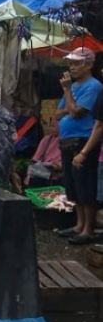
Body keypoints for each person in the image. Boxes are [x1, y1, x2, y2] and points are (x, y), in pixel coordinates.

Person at [56, 47, 103, 244]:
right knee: (73, 186)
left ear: (89, 65)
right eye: (71, 63)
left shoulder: (93, 86)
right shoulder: (74, 86)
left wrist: (67, 92)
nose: (72, 67)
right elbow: (58, 113)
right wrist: (70, 103)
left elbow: (76, 112)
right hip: (68, 141)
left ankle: (88, 229)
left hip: (82, 140)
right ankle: (78, 224)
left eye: (77, 63)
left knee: (85, 186)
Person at [25, 117, 62, 187]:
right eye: (50, 125)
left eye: (53, 126)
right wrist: (29, 174)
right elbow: (34, 160)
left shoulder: (66, 141)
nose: (49, 129)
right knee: (34, 174)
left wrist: (57, 165)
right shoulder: (46, 140)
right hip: (45, 170)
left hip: (60, 172)